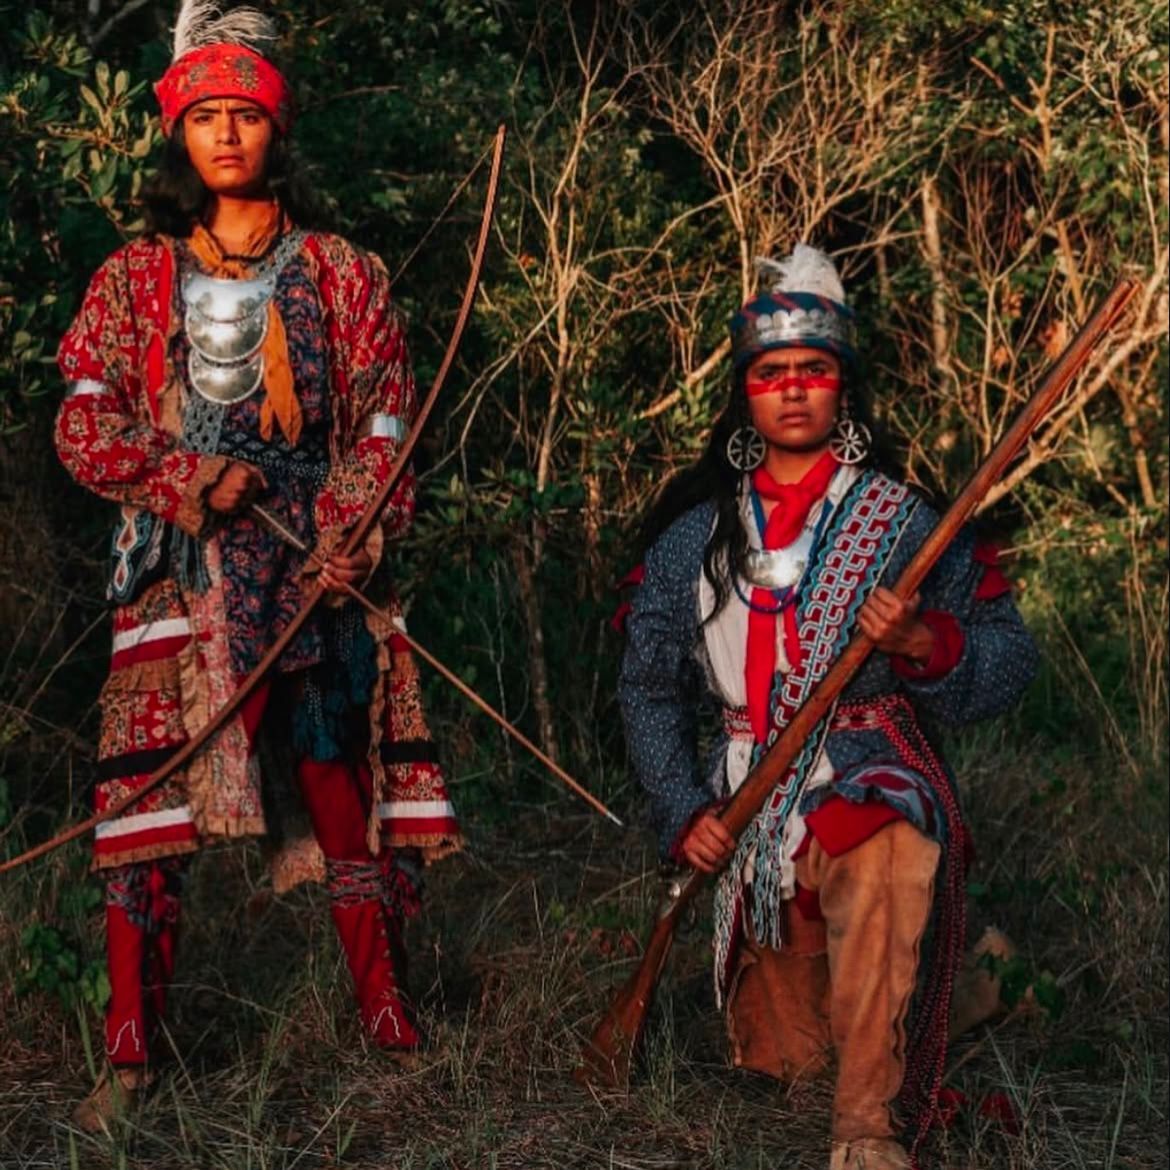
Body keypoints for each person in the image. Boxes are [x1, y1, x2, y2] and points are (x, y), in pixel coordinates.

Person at [54, 3, 461, 1130]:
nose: (227, 133)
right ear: (181, 133)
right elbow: (82, 423)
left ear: (276, 129)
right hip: (177, 575)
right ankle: (129, 1061)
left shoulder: (342, 272)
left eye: (247, 113)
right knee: (142, 812)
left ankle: (392, 1028)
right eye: (208, 115)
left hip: (310, 573)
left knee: (343, 800)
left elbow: (384, 420)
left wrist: (347, 536)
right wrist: (184, 477)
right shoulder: (133, 280)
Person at [617, 244, 1037, 1169]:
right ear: (746, 395)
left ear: (843, 390)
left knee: (880, 839)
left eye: (815, 371)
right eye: (773, 374)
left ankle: (867, 1138)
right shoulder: (696, 533)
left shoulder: (904, 523)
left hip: (865, 769)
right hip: (742, 807)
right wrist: (684, 811)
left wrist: (925, 645)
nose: (795, 389)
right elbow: (647, 688)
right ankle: (969, 983)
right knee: (794, 1061)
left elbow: (1011, 660)